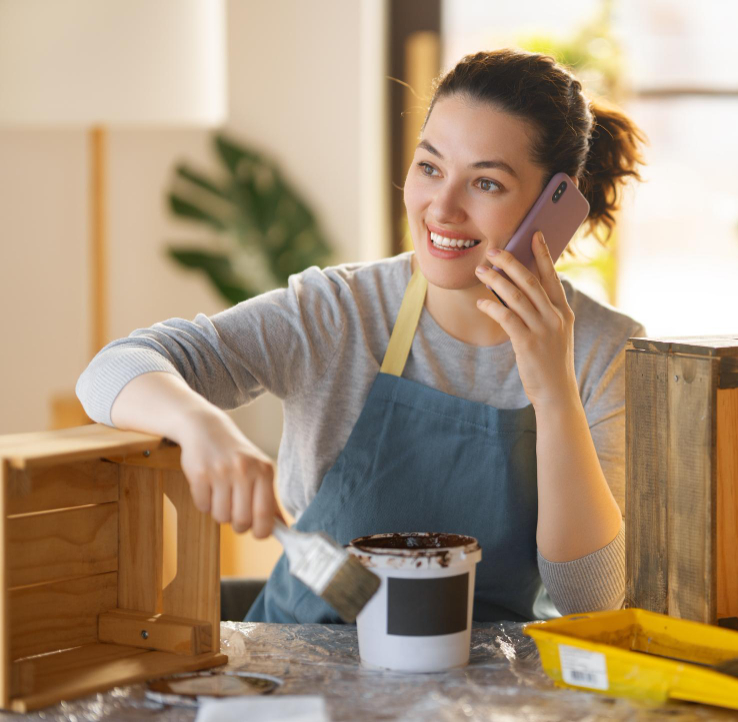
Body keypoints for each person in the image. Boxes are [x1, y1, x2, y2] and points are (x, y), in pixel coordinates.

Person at [76, 48, 648, 623]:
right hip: (300, 678)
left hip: (484, 700)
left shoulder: (605, 351)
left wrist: (553, 391)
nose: (441, 208)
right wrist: (199, 426)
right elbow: (111, 369)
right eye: (430, 168)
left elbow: (589, 600)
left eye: (487, 183)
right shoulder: (339, 311)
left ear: (557, 204)